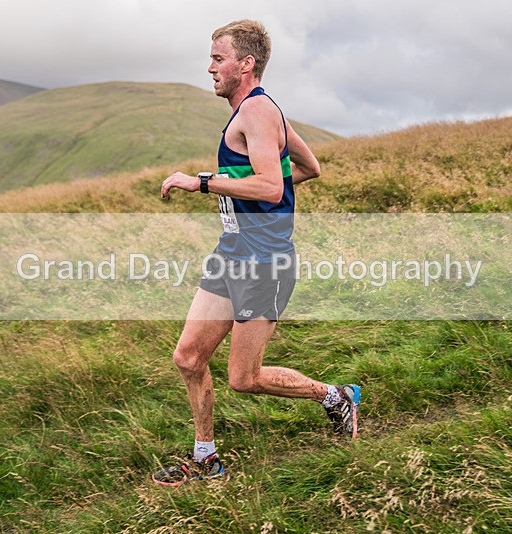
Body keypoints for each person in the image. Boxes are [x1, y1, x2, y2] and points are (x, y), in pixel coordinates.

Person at [154, 19, 360, 487]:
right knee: (188, 357)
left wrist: (202, 181)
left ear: (245, 64)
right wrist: (241, 187)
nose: (210, 68)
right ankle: (206, 460)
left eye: (218, 58)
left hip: (264, 263)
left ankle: (336, 396)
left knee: (244, 378)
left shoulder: (259, 113)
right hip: (232, 253)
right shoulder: (263, 112)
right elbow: (309, 167)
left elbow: (270, 186)